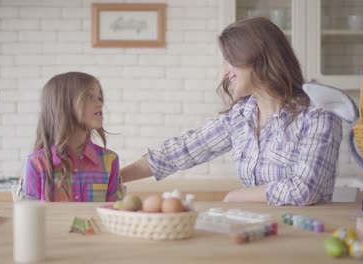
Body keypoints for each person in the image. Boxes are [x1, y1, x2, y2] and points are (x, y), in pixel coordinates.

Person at [120, 17, 343, 206]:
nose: (225, 72)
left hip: (305, 238)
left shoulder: (317, 114)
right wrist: (115, 177)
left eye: (229, 60)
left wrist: (235, 196)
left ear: (257, 58)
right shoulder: (241, 117)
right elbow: (181, 152)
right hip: (257, 231)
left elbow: (304, 189)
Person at [18, 72, 123, 202]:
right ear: (63, 105)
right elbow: (29, 219)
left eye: (100, 98)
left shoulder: (110, 161)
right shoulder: (35, 164)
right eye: (90, 97)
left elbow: (114, 214)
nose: (99, 103)